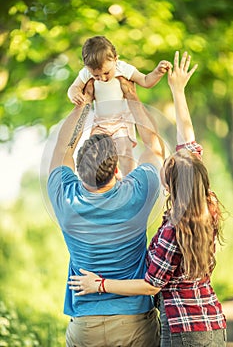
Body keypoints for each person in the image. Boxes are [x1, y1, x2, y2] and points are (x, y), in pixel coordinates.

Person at [68, 52, 227, 347]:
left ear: (170, 186)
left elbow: (151, 285)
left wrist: (99, 284)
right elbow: (188, 145)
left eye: (166, 169)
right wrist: (177, 90)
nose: (164, 165)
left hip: (182, 330)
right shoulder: (205, 205)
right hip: (212, 320)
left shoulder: (172, 230)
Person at [48, 68, 165, 344]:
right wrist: (132, 96)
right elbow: (154, 146)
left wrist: (84, 103)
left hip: (85, 327)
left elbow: (61, 149)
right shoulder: (137, 192)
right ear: (116, 171)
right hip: (135, 324)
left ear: (76, 169)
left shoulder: (66, 198)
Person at [67, 35, 172, 175]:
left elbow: (146, 81)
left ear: (115, 59)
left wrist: (157, 72)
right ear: (87, 68)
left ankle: (129, 178)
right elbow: (73, 88)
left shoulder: (123, 68)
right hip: (100, 123)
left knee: (124, 152)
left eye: (106, 73)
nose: (102, 78)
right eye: (96, 76)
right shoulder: (86, 73)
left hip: (121, 122)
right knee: (95, 153)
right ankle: (108, 180)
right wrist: (74, 94)